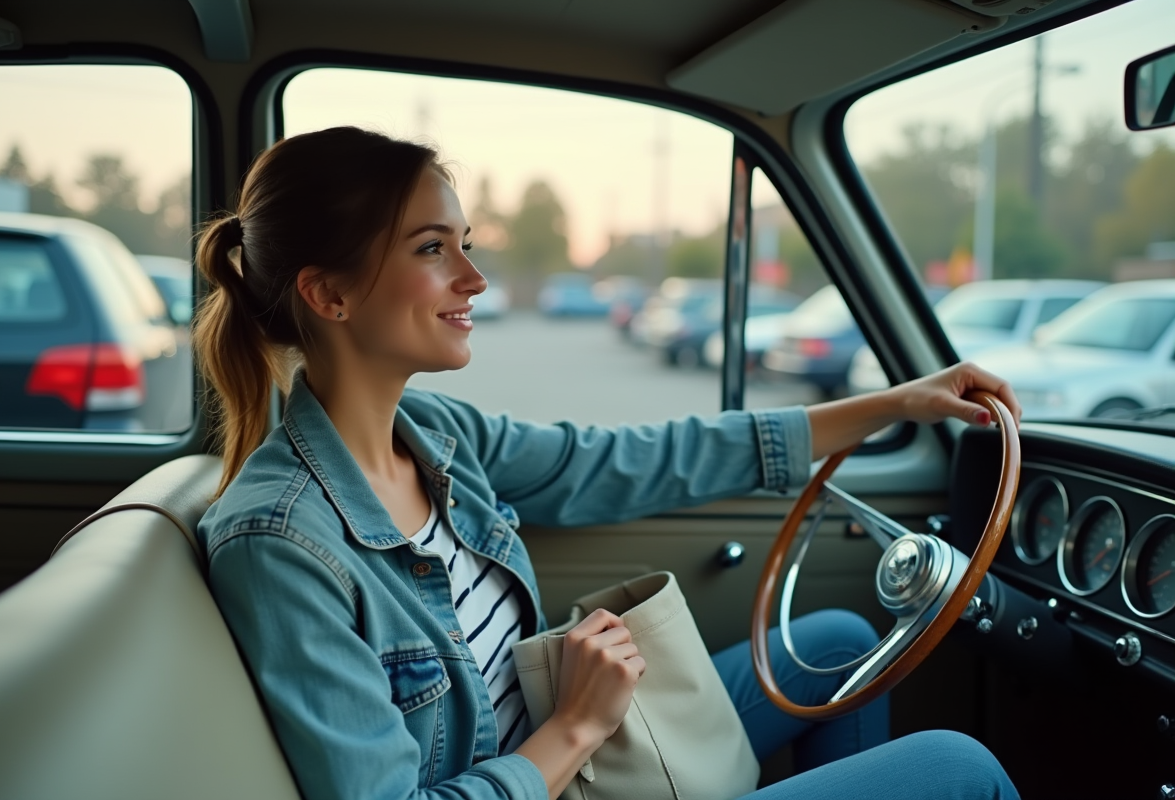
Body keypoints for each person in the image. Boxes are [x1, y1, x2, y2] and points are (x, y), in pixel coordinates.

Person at [193, 126, 1022, 800]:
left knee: (839, 640)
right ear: (328, 295)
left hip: (578, 753)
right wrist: (577, 727)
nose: (475, 279)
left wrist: (898, 402)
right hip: (558, 761)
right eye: (431, 249)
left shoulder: (437, 433)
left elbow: (633, 460)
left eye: (465, 244)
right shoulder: (280, 542)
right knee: (960, 768)